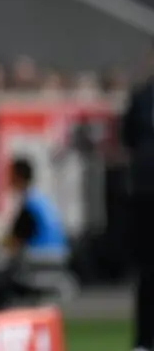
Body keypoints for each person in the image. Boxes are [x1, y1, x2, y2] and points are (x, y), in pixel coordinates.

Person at [0, 159, 68, 313]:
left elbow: (13, 242)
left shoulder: (28, 206)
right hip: (56, 261)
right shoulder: (40, 201)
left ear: (18, 176)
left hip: (35, 264)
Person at [122, 66, 154, 351]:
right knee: (147, 271)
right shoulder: (142, 97)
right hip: (146, 194)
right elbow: (128, 138)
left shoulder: (142, 97)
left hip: (144, 190)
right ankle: (144, 339)